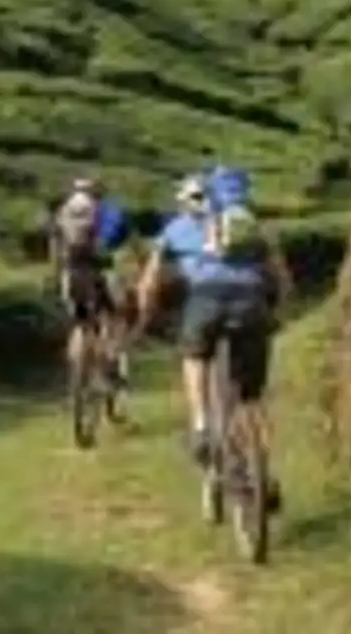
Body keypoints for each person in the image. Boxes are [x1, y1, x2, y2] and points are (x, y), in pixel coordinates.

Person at [134, 167, 293, 505]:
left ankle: (202, 424)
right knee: (252, 397)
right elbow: (282, 279)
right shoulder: (253, 226)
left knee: (193, 357)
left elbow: (148, 282)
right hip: (251, 305)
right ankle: (265, 473)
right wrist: (278, 313)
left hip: (205, 301)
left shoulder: (179, 228)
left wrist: (146, 317)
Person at [48, 175, 133, 390]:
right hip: (100, 273)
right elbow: (121, 238)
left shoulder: (63, 211)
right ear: (99, 192)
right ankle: (110, 365)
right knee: (115, 317)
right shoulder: (108, 211)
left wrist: (57, 274)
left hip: (71, 273)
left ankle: (76, 374)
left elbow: (54, 246)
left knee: (80, 323)